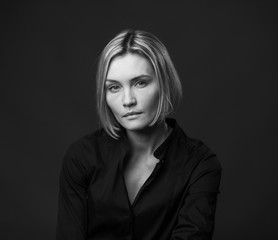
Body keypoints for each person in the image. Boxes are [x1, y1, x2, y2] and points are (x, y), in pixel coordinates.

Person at [56, 29, 222, 240]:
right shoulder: (81, 157)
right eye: (114, 87)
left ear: (164, 83)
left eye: (140, 83)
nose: (128, 100)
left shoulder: (200, 164)